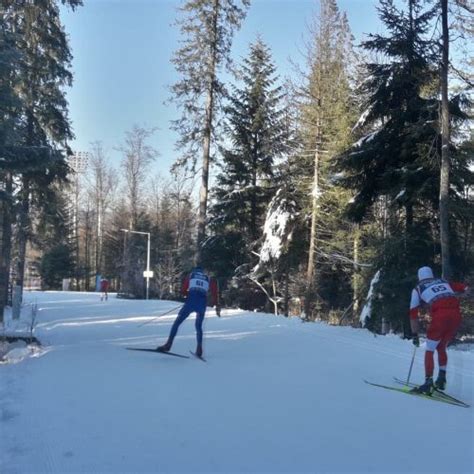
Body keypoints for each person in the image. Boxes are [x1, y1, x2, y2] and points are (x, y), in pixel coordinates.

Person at [409, 266, 468, 394]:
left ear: (419, 277)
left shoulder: (418, 288)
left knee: (429, 349)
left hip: (440, 316)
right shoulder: (443, 282)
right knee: (441, 346)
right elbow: (465, 288)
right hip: (456, 316)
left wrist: (415, 334)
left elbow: (413, 313)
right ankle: (441, 378)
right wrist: (460, 295)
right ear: (431, 275)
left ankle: (428, 382)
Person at [157, 266, 220, 357]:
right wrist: (215, 303)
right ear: (203, 272)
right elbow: (214, 293)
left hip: (190, 302)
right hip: (202, 304)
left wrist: (187, 295)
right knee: (198, 326)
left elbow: (183, 291)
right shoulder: (208, 279)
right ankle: (199, 349)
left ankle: (168, 344)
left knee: (177, 322)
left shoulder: (190, 276)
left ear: (194, 271)